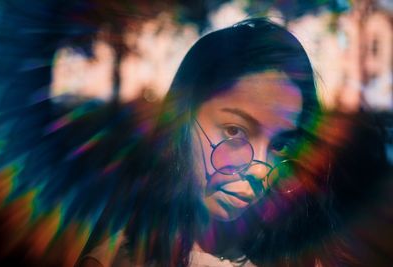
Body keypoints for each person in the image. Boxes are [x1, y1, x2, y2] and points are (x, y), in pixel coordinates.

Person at [79, 17, 343, 267]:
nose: (260, 170)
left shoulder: (296, 255)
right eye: (234, 131)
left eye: (279, 145)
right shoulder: (118, 257)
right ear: (182, 120)